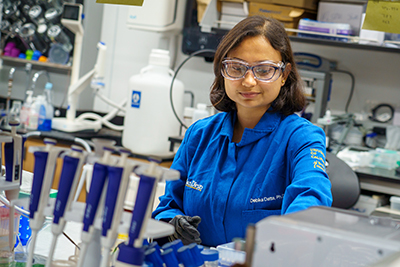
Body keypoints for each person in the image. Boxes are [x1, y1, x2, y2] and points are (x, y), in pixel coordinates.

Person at [152, 15, 332, 247]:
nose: (248, 81)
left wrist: (288, 234)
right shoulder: (199, 134)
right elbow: (168, 205)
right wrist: (171, 225)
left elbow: (312, 198)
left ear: (284, 74)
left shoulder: (301, 138)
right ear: (222, 71)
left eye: (264, 70)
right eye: (237, 68)